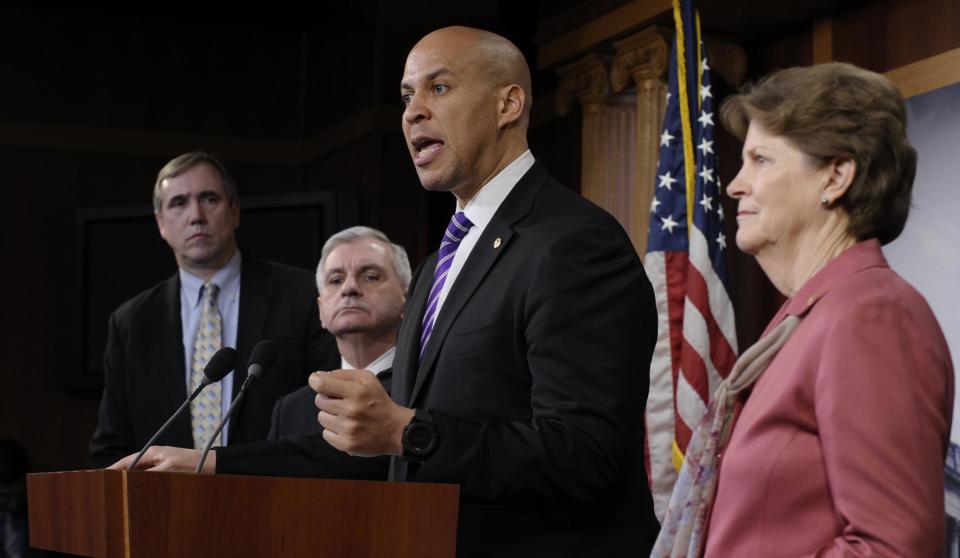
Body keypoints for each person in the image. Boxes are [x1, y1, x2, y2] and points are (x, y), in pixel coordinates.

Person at [308, 27, 660, 556]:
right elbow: (392, 440)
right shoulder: (434, 267)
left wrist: (410, 432)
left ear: (508, 103)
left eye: (439, 88)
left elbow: (587, 455)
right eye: (407, 97)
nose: (412, 113)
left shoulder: (572, 243)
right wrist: (212, 463)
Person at [653, 62, 954, 557]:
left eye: (761, 160)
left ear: (836, 176)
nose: (735, 184)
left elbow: (890, 549)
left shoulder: (873, 316)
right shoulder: (809, 319)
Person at [89, 151, 338, 468]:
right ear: (161, 224)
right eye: (178, 203)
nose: (195, 215)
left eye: (209, 199)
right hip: (165, 507)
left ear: (235, 211)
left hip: (278, 499)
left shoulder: (303, 297)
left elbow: (324, 423)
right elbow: (111, 448)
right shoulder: (130, 323)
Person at [110, 226, 409, 481]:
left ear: (408, 300)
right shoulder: (292, 407)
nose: (350, 288)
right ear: (320, 311)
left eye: (370, 276)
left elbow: (336, 461)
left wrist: (207, 461)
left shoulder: (421, 387)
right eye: (335, 279)